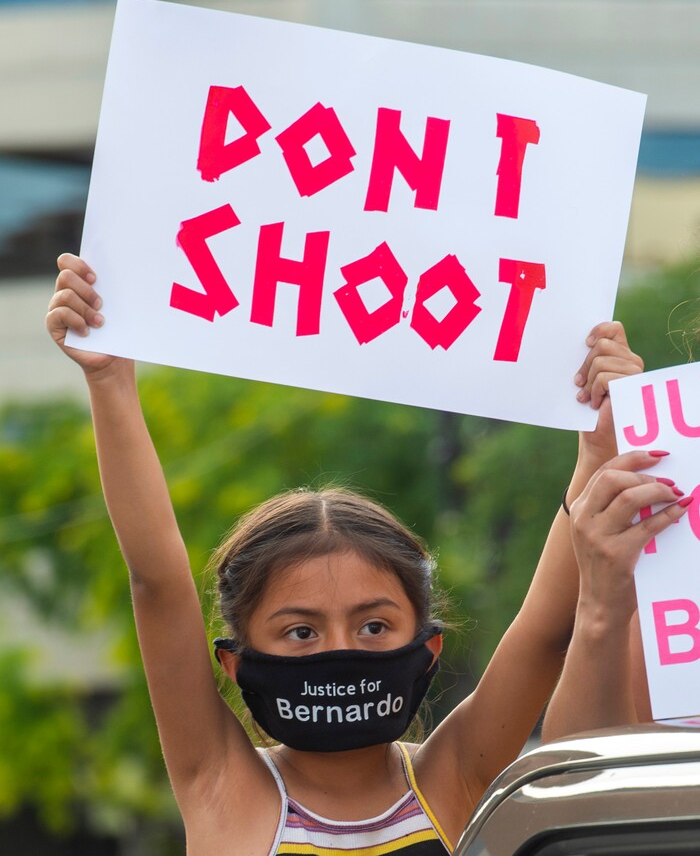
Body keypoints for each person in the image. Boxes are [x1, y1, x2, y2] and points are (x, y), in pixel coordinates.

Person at [45, 253, 688, 854]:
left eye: (374, 625)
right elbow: (157, 581)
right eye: (300, 631)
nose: (339, 650)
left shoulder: (459, 774)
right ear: (235, 663)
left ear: (428, 645)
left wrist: (599, 449)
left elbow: (550, 627)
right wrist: (110, 381)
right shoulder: (220, 784)